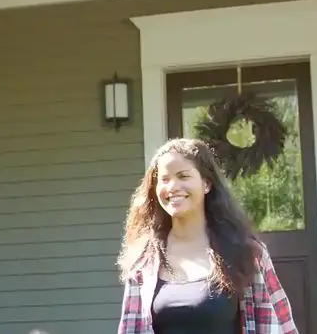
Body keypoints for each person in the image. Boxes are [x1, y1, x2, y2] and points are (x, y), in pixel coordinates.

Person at [115, 138, 298, 334]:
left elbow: (278, 325)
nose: (172, 187)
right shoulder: (144, 261)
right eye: (164, 179)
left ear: (206, 184)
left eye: (183, 176)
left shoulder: (247, 254)